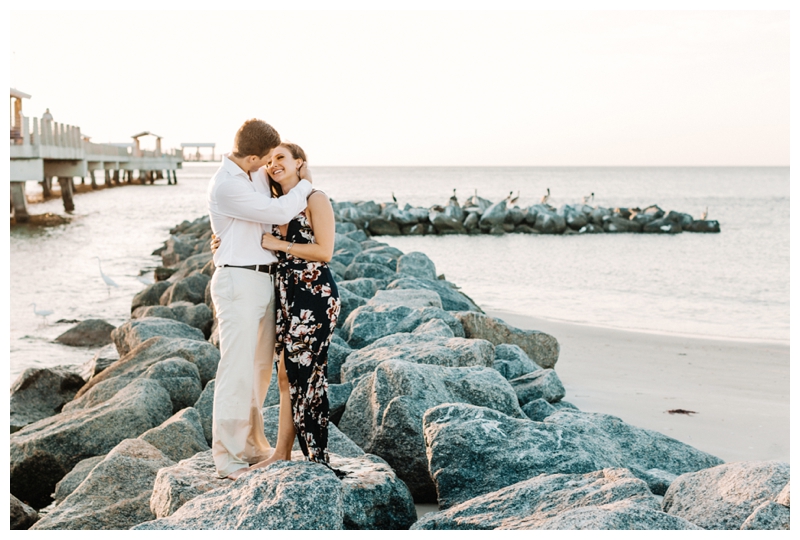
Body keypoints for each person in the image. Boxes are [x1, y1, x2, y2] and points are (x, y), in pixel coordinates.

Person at [212, 141, 341, 473]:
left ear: (300, 162)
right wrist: (218, 241)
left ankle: (317, 455)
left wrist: (280, 244)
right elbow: (240, 226)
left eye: (281, 158)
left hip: (314, 295)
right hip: (285, 293)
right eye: (269, 161)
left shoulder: (315, 198)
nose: (273, 165)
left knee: (308, 375)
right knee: (285, 375)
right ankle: (281, 453)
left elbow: (325, 252)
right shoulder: (273, 203)